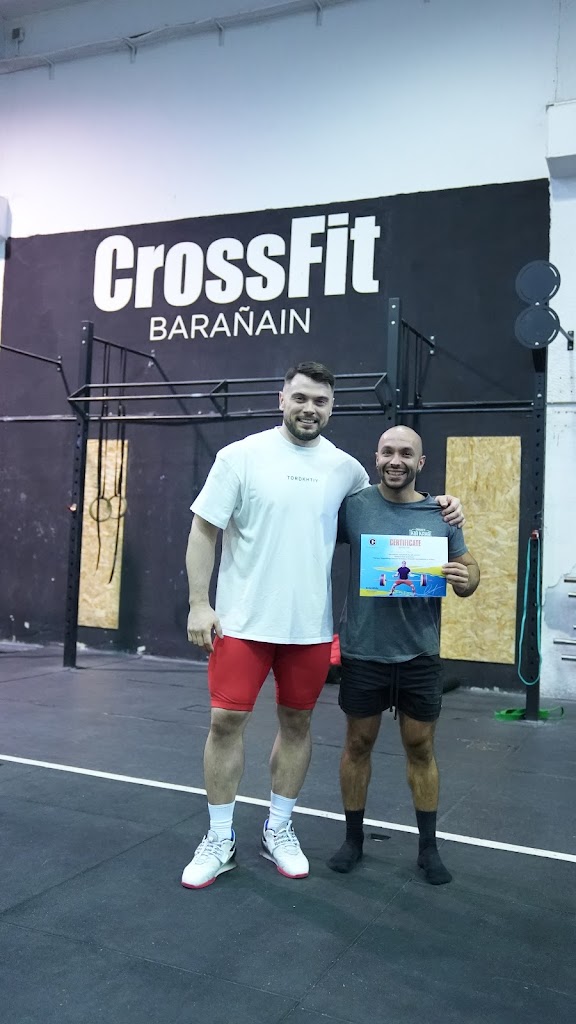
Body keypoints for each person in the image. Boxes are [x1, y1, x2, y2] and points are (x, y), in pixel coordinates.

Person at [181, 364, 464, 889]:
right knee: (225, 723)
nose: (310, 409)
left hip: (309, 628)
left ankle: (278, 830)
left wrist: (443, 506)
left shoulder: (346, 471)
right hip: (242, 621)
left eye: (321, 401)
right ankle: (219, 838)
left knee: (297, 725)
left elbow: (392, 506)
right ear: (282, 399)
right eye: (301, 398)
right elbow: (204, 529)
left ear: (332, 408)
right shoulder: (240, 456)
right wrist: (200, 603)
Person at [328, 424, 479, 885]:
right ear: (376, 458)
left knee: (420, 747)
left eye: (406, 454)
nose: (396, 461)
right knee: (358, 744)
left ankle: (428, 849)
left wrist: (466, 578)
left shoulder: (441, 513)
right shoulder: (353, 507)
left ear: (420, 462)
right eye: (388, 452)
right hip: (364, 650)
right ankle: (352, 840)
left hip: (419, 654)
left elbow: (469, 570)